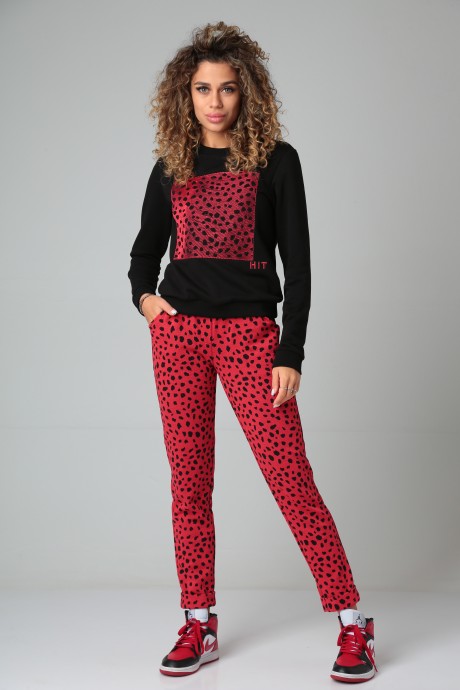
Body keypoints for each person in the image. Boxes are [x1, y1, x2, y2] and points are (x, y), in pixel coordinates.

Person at [127, 20, 378, 683]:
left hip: (249, 338)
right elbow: (144, 254)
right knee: (189, 484)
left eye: (227, 89)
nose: (214, 102)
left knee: (291, 480)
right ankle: (199, 620)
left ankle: (353, 623)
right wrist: (147, 302)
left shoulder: (276, 161)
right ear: (184, 96)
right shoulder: (171, 166)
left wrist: (290, 352)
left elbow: (300, 265)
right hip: (179, 337)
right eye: (202, 89)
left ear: (247, 93)